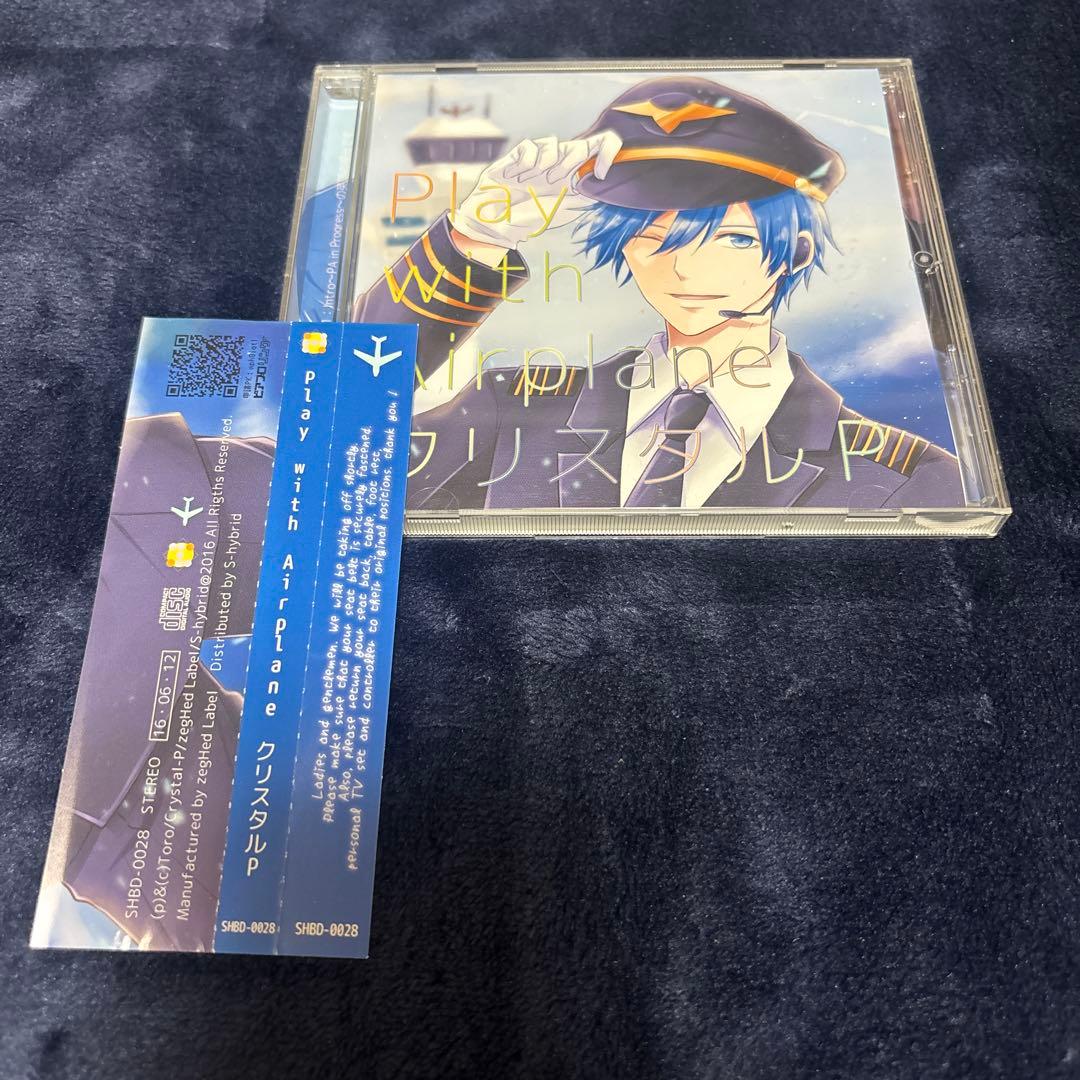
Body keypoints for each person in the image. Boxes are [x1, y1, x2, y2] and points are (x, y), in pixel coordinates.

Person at [354, 76, 964, 512]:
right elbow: (345, 432)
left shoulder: (907, 477)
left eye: (733, 240)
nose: (686, 269)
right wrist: (476, 237)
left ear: (796, 252)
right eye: (652, 240)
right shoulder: (511, 407)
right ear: (624, 248)